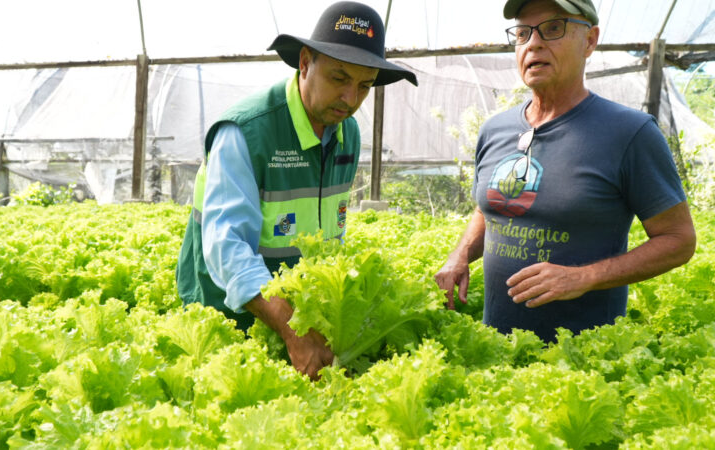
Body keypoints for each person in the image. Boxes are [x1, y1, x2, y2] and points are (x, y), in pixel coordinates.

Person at [176, 1, 417, 379]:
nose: (351, 99)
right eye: (339, 78)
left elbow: (325, 236)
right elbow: (227, 245)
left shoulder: (347, 132)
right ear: (305, 63)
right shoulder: (245, 132)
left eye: (364, 86)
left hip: (295, 319)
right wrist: (293, 327)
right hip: (229, 317)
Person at [434, 0, 696, 343]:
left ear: (590, 41)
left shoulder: (630, 133)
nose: (534, 43)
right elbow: (492, 207)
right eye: (523, 32)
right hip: (497, 349)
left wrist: (583, 277)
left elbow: (679, 241)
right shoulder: (495, 129)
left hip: (583, 360)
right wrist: (461, 254)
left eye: (553, 28)